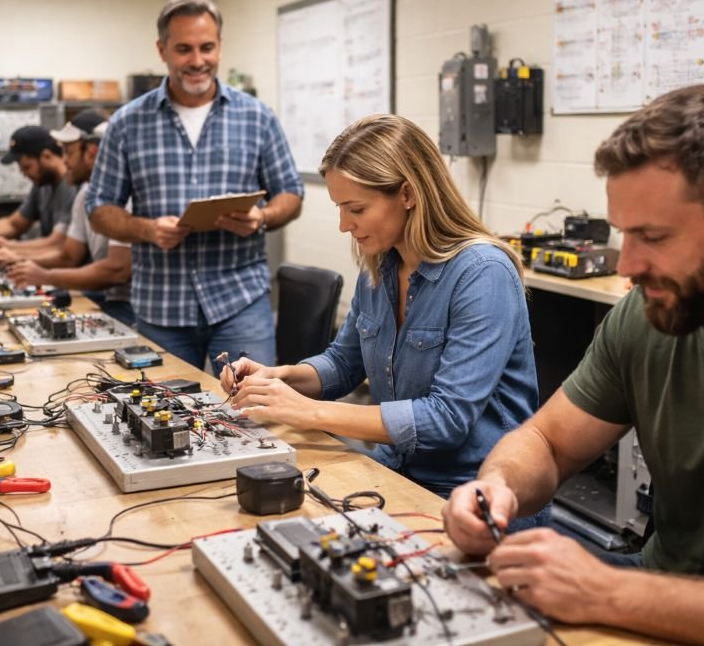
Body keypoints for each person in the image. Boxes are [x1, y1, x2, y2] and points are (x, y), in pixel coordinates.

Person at [442, 83, 704, 644]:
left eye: (652, 236)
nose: (628, 265)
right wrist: (495, 488)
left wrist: (605, 592)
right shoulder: (649, 313)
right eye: (624, 234)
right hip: (657, 584)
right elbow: (548, 443)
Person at [220, 114, 544, 506]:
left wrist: (309, 413)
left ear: (407, 194)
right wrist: (280, 378)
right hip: (394, 469)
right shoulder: (381, 267)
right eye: (340, 207)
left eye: (355, 209)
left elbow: (446, 419)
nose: (343, 225)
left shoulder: (482, 274)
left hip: (473, 494)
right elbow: (343, 364)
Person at [86, 0, 303, 373]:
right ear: (162, 50)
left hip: (241, 302)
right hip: (161, 305)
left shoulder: (257, 117)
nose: (198, 61)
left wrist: (262, 217)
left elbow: (291, 193)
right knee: (163, 421)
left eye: (207, 47)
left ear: (219, 45)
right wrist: (147, 229)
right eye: (184, 49)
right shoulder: (127, 123)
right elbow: (100, 209)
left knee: (251, 413)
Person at [0, 110, 134, 326]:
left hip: (129, 306)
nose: (63, 161)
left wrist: (41, 274)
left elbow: (116, 270)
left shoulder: (127, 196)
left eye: (68, 152)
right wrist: (21, 262)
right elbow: (68, 256)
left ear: (93, 153)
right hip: (104, 297)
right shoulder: (85, 195)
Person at [0, 126, 76, 258]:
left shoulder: (71, 188)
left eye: (27, 167)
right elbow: (14, 224)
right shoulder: (42, 185)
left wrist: (8, 247)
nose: (23, 174)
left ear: (46, 156)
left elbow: (57, 243)